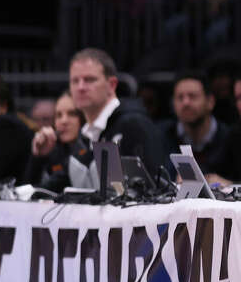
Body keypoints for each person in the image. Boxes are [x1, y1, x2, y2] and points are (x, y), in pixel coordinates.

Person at [35, 49, 168, 181]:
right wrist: (41, 156)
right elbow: (57, 186)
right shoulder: (85, 135)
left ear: (111, 85)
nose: (80, 87)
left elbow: (158, 188)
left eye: (89, 80)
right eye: (75, 81)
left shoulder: (134, 125)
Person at [160, 73, 232, 177]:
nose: (186, 102)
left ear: (210, 101)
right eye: (180, 97)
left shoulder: (230, 138)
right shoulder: (163, 136)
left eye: (192, 96)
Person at [26, 93, 88, 192]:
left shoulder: (90, 147)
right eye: (58, 115)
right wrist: (39, 157)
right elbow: (28, 191)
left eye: (72, 114)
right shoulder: (52, 148)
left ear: (84, 117)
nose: (63, 121)